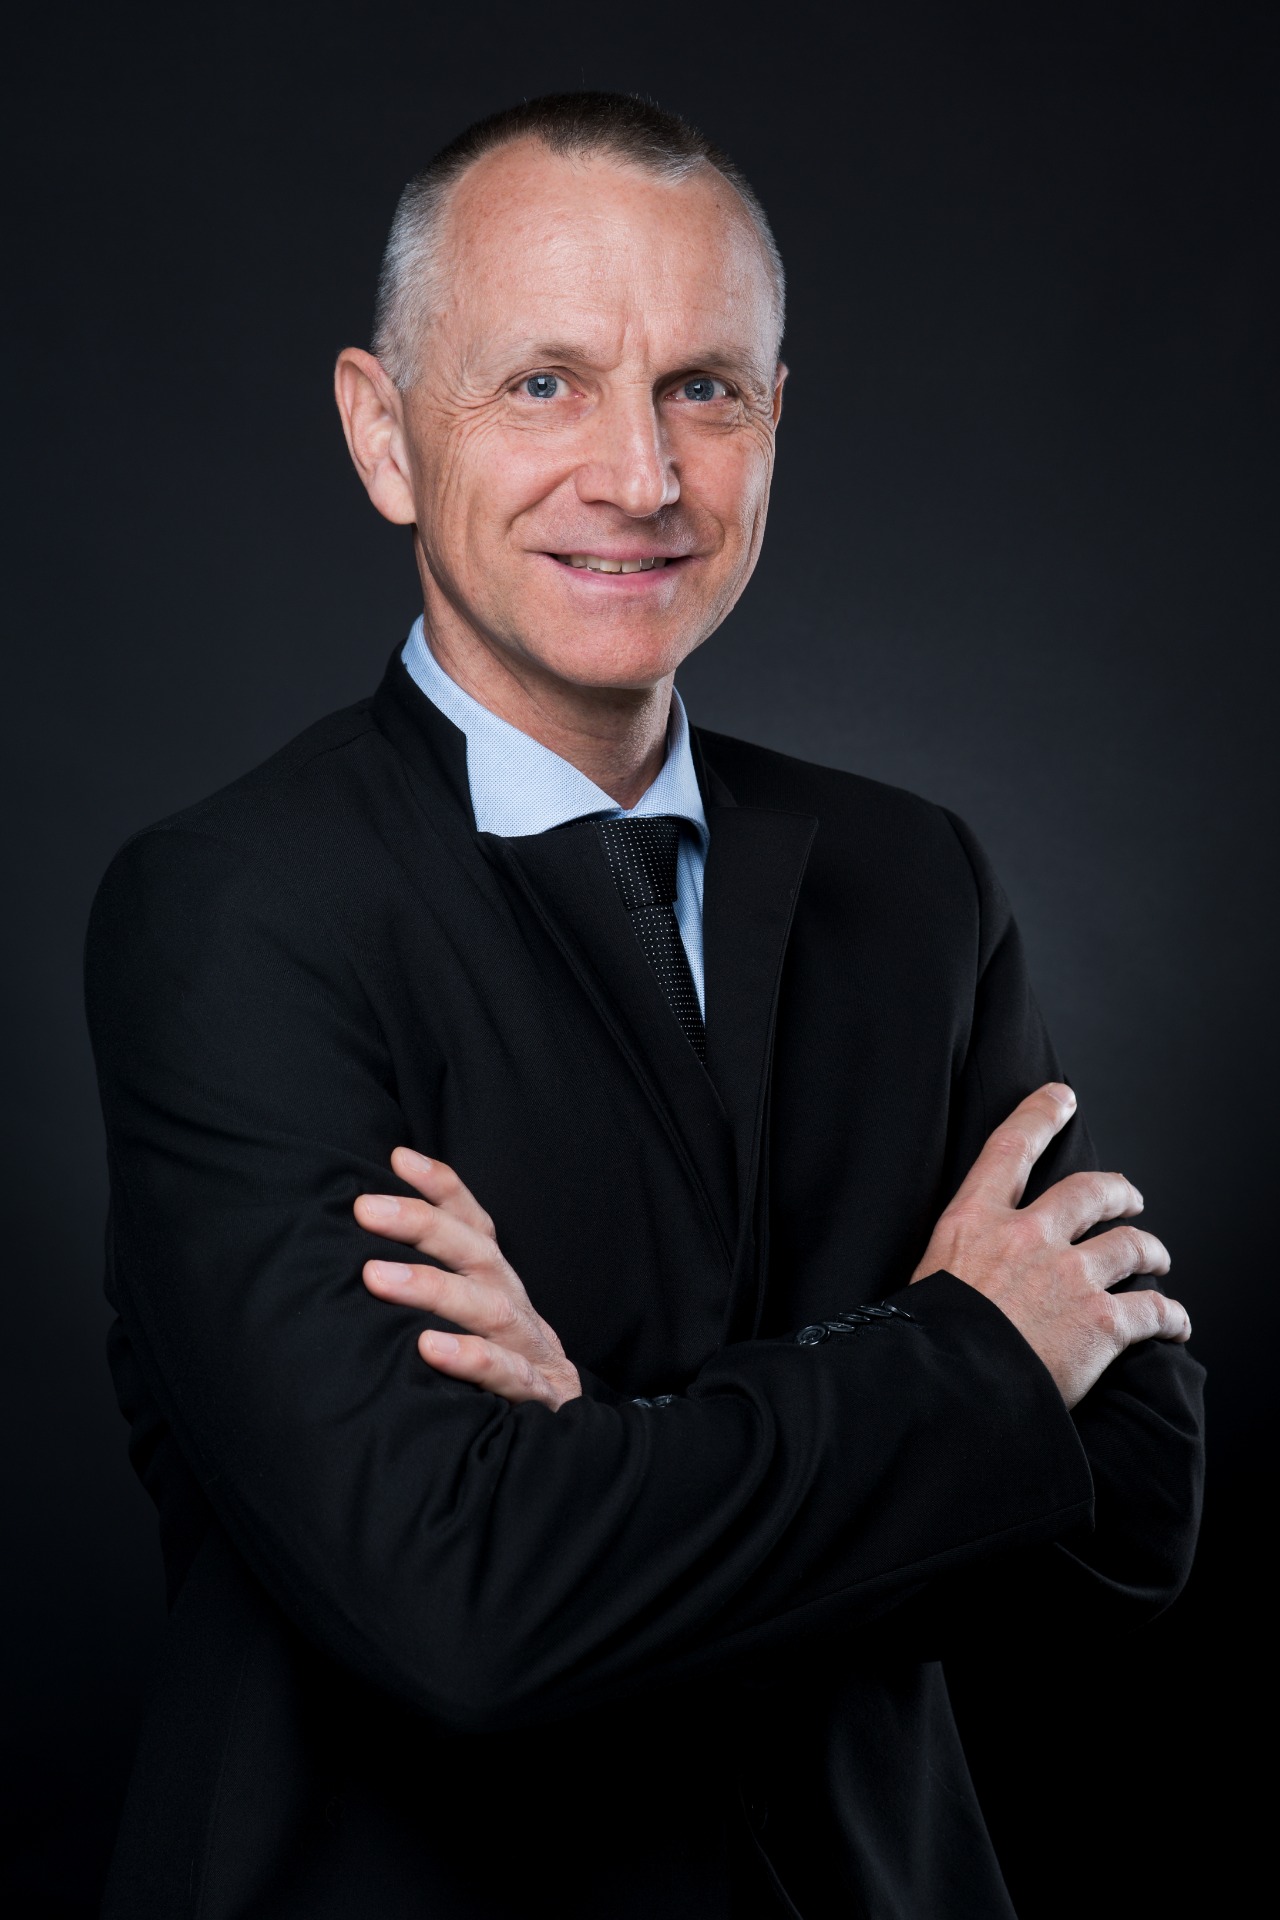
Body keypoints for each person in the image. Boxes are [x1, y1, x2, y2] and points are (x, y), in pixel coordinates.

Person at [86, 93, 1204, 1919]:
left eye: (704, 388)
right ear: (384, 433)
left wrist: (594, 1450)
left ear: (775, 422)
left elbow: (1133, 1517)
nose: (639, 473)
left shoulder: (916, 882)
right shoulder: (237, 913)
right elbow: (467, 1609)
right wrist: (959, 1363)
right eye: (544, 384)